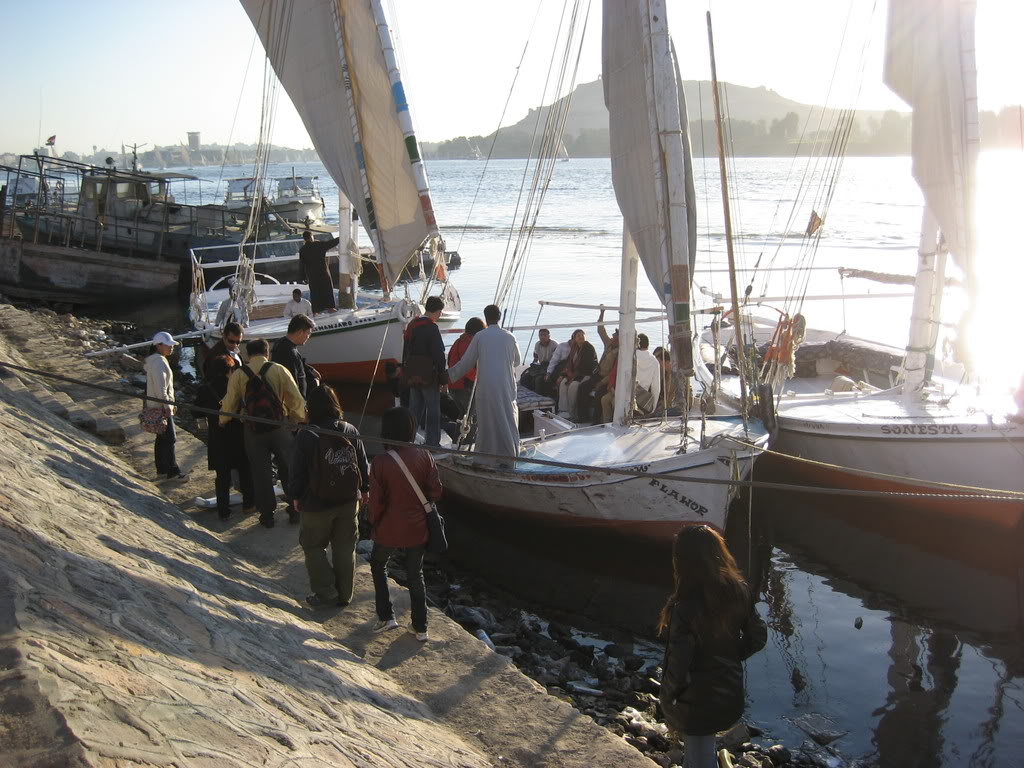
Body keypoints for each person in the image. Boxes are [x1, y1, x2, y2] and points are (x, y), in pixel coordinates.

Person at [658, 526, 767, 768]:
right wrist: (729, 657)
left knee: (701, 759)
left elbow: (678, 664)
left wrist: (666, 700)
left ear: (683, 561)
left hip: (696, 703)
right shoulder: (739, 590)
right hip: (729, 693)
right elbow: (758, 637)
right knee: (699, 755)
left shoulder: (684, 607)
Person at [288, 385, 370, 609]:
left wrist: (295, 496)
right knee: (345, 548)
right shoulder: (350, 430)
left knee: (313, 547)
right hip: (348, 500)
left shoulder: (307, 435)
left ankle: (326, 592)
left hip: (316, 503)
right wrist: (365, 490)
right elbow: (362, 464)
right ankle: (345, 595)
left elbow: (298, 471)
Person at [368, 406, 442, 641]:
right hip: (417, 528)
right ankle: (420, 627)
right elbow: (436, 492)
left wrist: (372, 523)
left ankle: (386, 617)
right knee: (415, 575)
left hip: (389, 527)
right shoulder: (425, 455)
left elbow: (376, 504)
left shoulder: (380, 462)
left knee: (379, 564)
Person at [220, 338, 307, 528]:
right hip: (279, 425)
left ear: (248, 355)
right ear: (266, 352)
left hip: (252, 428)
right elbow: (296, 398)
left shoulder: (239, 374)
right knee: (289, 468)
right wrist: (297, 419)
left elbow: (230, 402)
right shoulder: (279, 370)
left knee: (261, 472)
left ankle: (267, 514)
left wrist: (222, 420)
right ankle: (294, 510)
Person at [447, 304, 522, 459]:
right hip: (505, 386)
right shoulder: (509, 337)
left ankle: (486, 454)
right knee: (507, 417)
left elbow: (466, 362)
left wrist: (448, 375)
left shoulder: (480, 337)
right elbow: (517, 361)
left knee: (486, 420)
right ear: (500, 316)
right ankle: (510, 452)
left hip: (486, 387)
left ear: (486, 317)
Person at [194, 354, 255, 519]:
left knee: (222, 476)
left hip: (217, 436)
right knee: (244, 471)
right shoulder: (236, 386)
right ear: (230, 370)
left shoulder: (205, 389)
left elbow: (196, 411)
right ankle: (249, 505)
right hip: (237, 435)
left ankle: (223, 511)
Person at [402, 295, 447, 446]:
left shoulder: (413, 324)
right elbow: (438, 354)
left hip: (413, 373)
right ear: (437, 311)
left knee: (414, 409)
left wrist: (405, 370)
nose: (440, 315)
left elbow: (405, 348)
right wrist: (443, 377)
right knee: (433, 410)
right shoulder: (432, 328)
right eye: (440, 312)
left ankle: (408, 439)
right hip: (429, 375)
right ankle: (432, 443)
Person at [145, 331, 186, 481]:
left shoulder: (155, 361)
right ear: (159, 345)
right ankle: (173, 472)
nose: (171, 348)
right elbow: (161, 387)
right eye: (168, 345)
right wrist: (167, 405)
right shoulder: (159, 362)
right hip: (161, 406)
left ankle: (162, 470)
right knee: (170, 438)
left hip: (156, 405)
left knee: (162, 438)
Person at [272, 313, 320, 400]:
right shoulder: (289, 352)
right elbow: (292, 384)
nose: (308, 337)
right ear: (300, 332)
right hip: (295, 404)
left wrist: (310, 370)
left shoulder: (280, 343)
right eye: (308, 333)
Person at [447, 316, 485, 421]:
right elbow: (467, 368)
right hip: (464, 387)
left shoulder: (458, 341)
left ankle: (458, 436)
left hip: (453, 385)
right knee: (471, 418)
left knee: (463, 415)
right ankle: (468, 437)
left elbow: (450, 359)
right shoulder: (470, 345)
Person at [555, 329, 597, 420]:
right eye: (578, 336)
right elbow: (569, 363)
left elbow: (585, 367)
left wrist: (573, 378)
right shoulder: (574, 348)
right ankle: (563, 411)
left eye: (582, 335)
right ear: (574, 338)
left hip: (586, 374)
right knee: (563, 383)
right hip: (574, 375)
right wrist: (563, 375)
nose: (581, 337)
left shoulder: (588, 348)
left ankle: (572, 413)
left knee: (573, 386)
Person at [299, 231, 341, 313]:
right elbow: (332, 243)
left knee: (315, 292)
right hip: (323, 272)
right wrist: (341, 237)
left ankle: (317, 310)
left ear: (304, 239)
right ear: (312, 237)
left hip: (311, 274)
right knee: (327, 289)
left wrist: (302, 277)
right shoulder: (319, 245)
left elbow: (302, 265)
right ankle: (330, 307)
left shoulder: (302, 250)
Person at [634, 333, 661, 415]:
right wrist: (653, 407)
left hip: (629, 396)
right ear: (648, 345)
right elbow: (656, 387)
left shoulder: (631, 357)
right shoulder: (654, 361)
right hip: (643, 401)